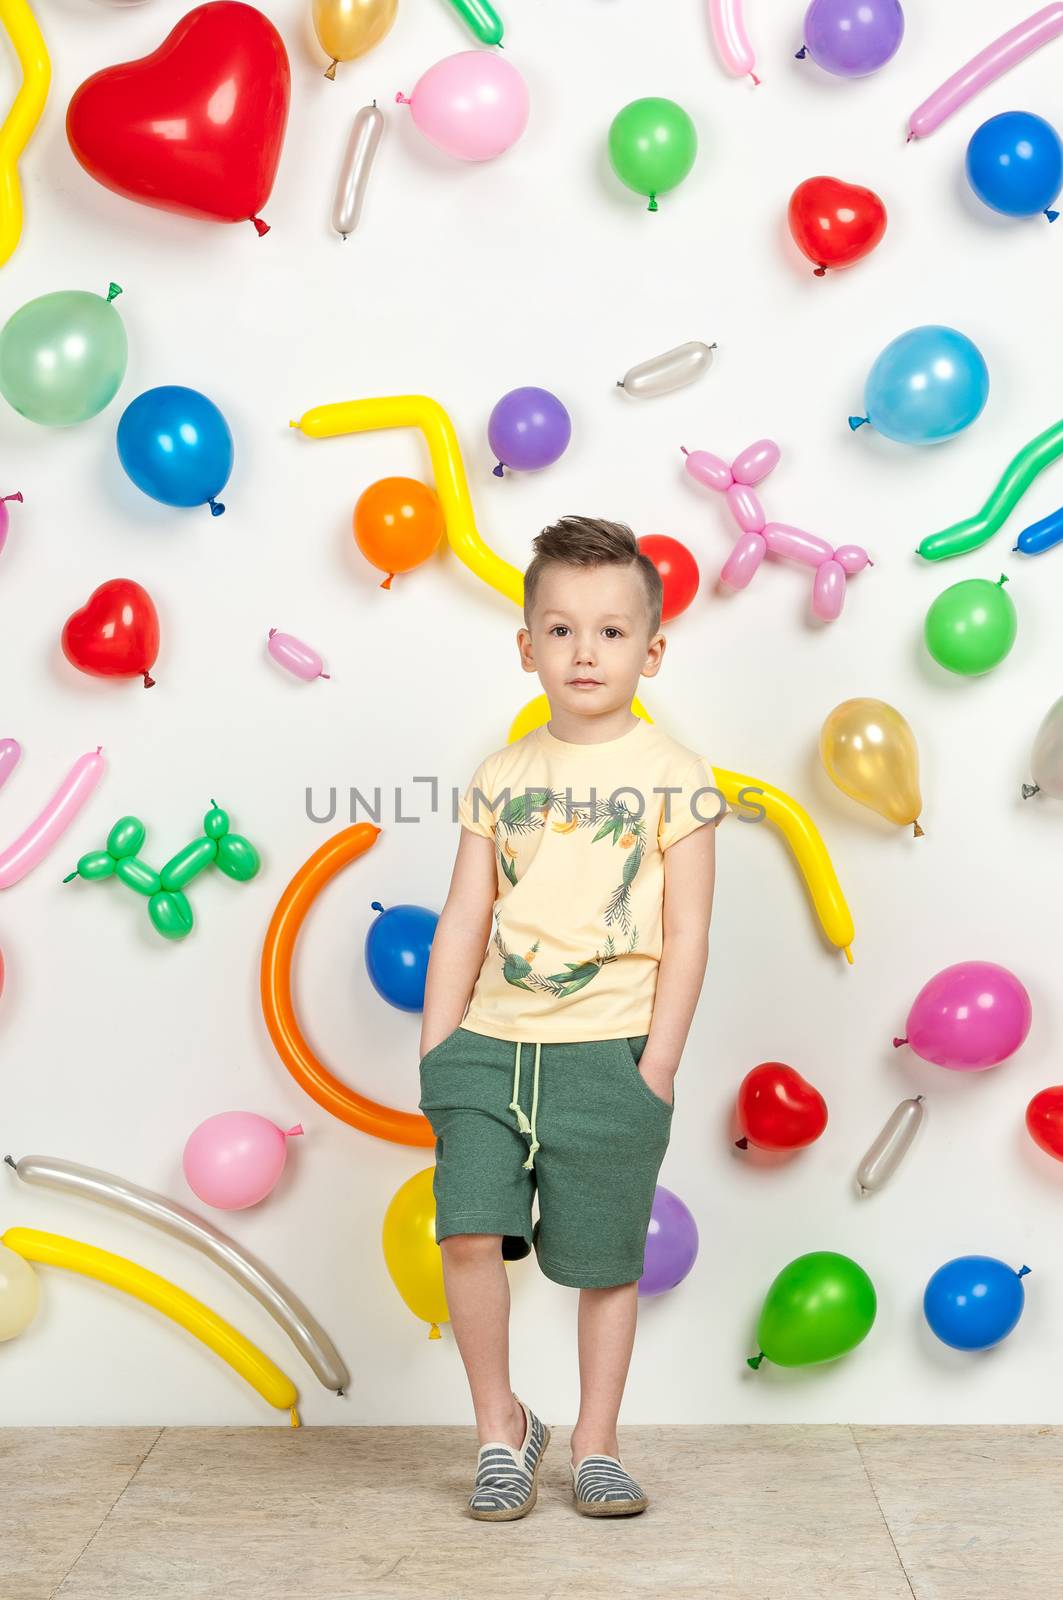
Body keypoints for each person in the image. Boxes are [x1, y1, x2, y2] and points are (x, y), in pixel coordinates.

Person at [418, 515, 719, 1521]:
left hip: (610, 1057)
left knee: (603, 1264)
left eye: (610, 631)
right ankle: (499, 1431)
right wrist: (437, 1045)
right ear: (526, 646)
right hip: (488, 1051)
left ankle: (595, 1443)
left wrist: (659, 1065)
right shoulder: (499, 779)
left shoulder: (677, 777)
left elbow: (686, 933)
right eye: (559, 630)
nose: (584, 651)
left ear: (650, 649)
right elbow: (465, 917)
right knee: (466, 1234)